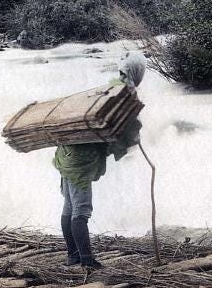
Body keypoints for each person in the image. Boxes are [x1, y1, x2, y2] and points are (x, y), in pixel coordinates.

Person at [53, 53, 146, 269]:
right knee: (81, 210)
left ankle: (73, 256)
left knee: (69, 206)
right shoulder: (125, 96)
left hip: (67, 151)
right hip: (80, 161)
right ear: (137, 73)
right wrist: (134, 136)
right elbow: (125, 128)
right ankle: (86, 260)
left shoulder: (111, 86)